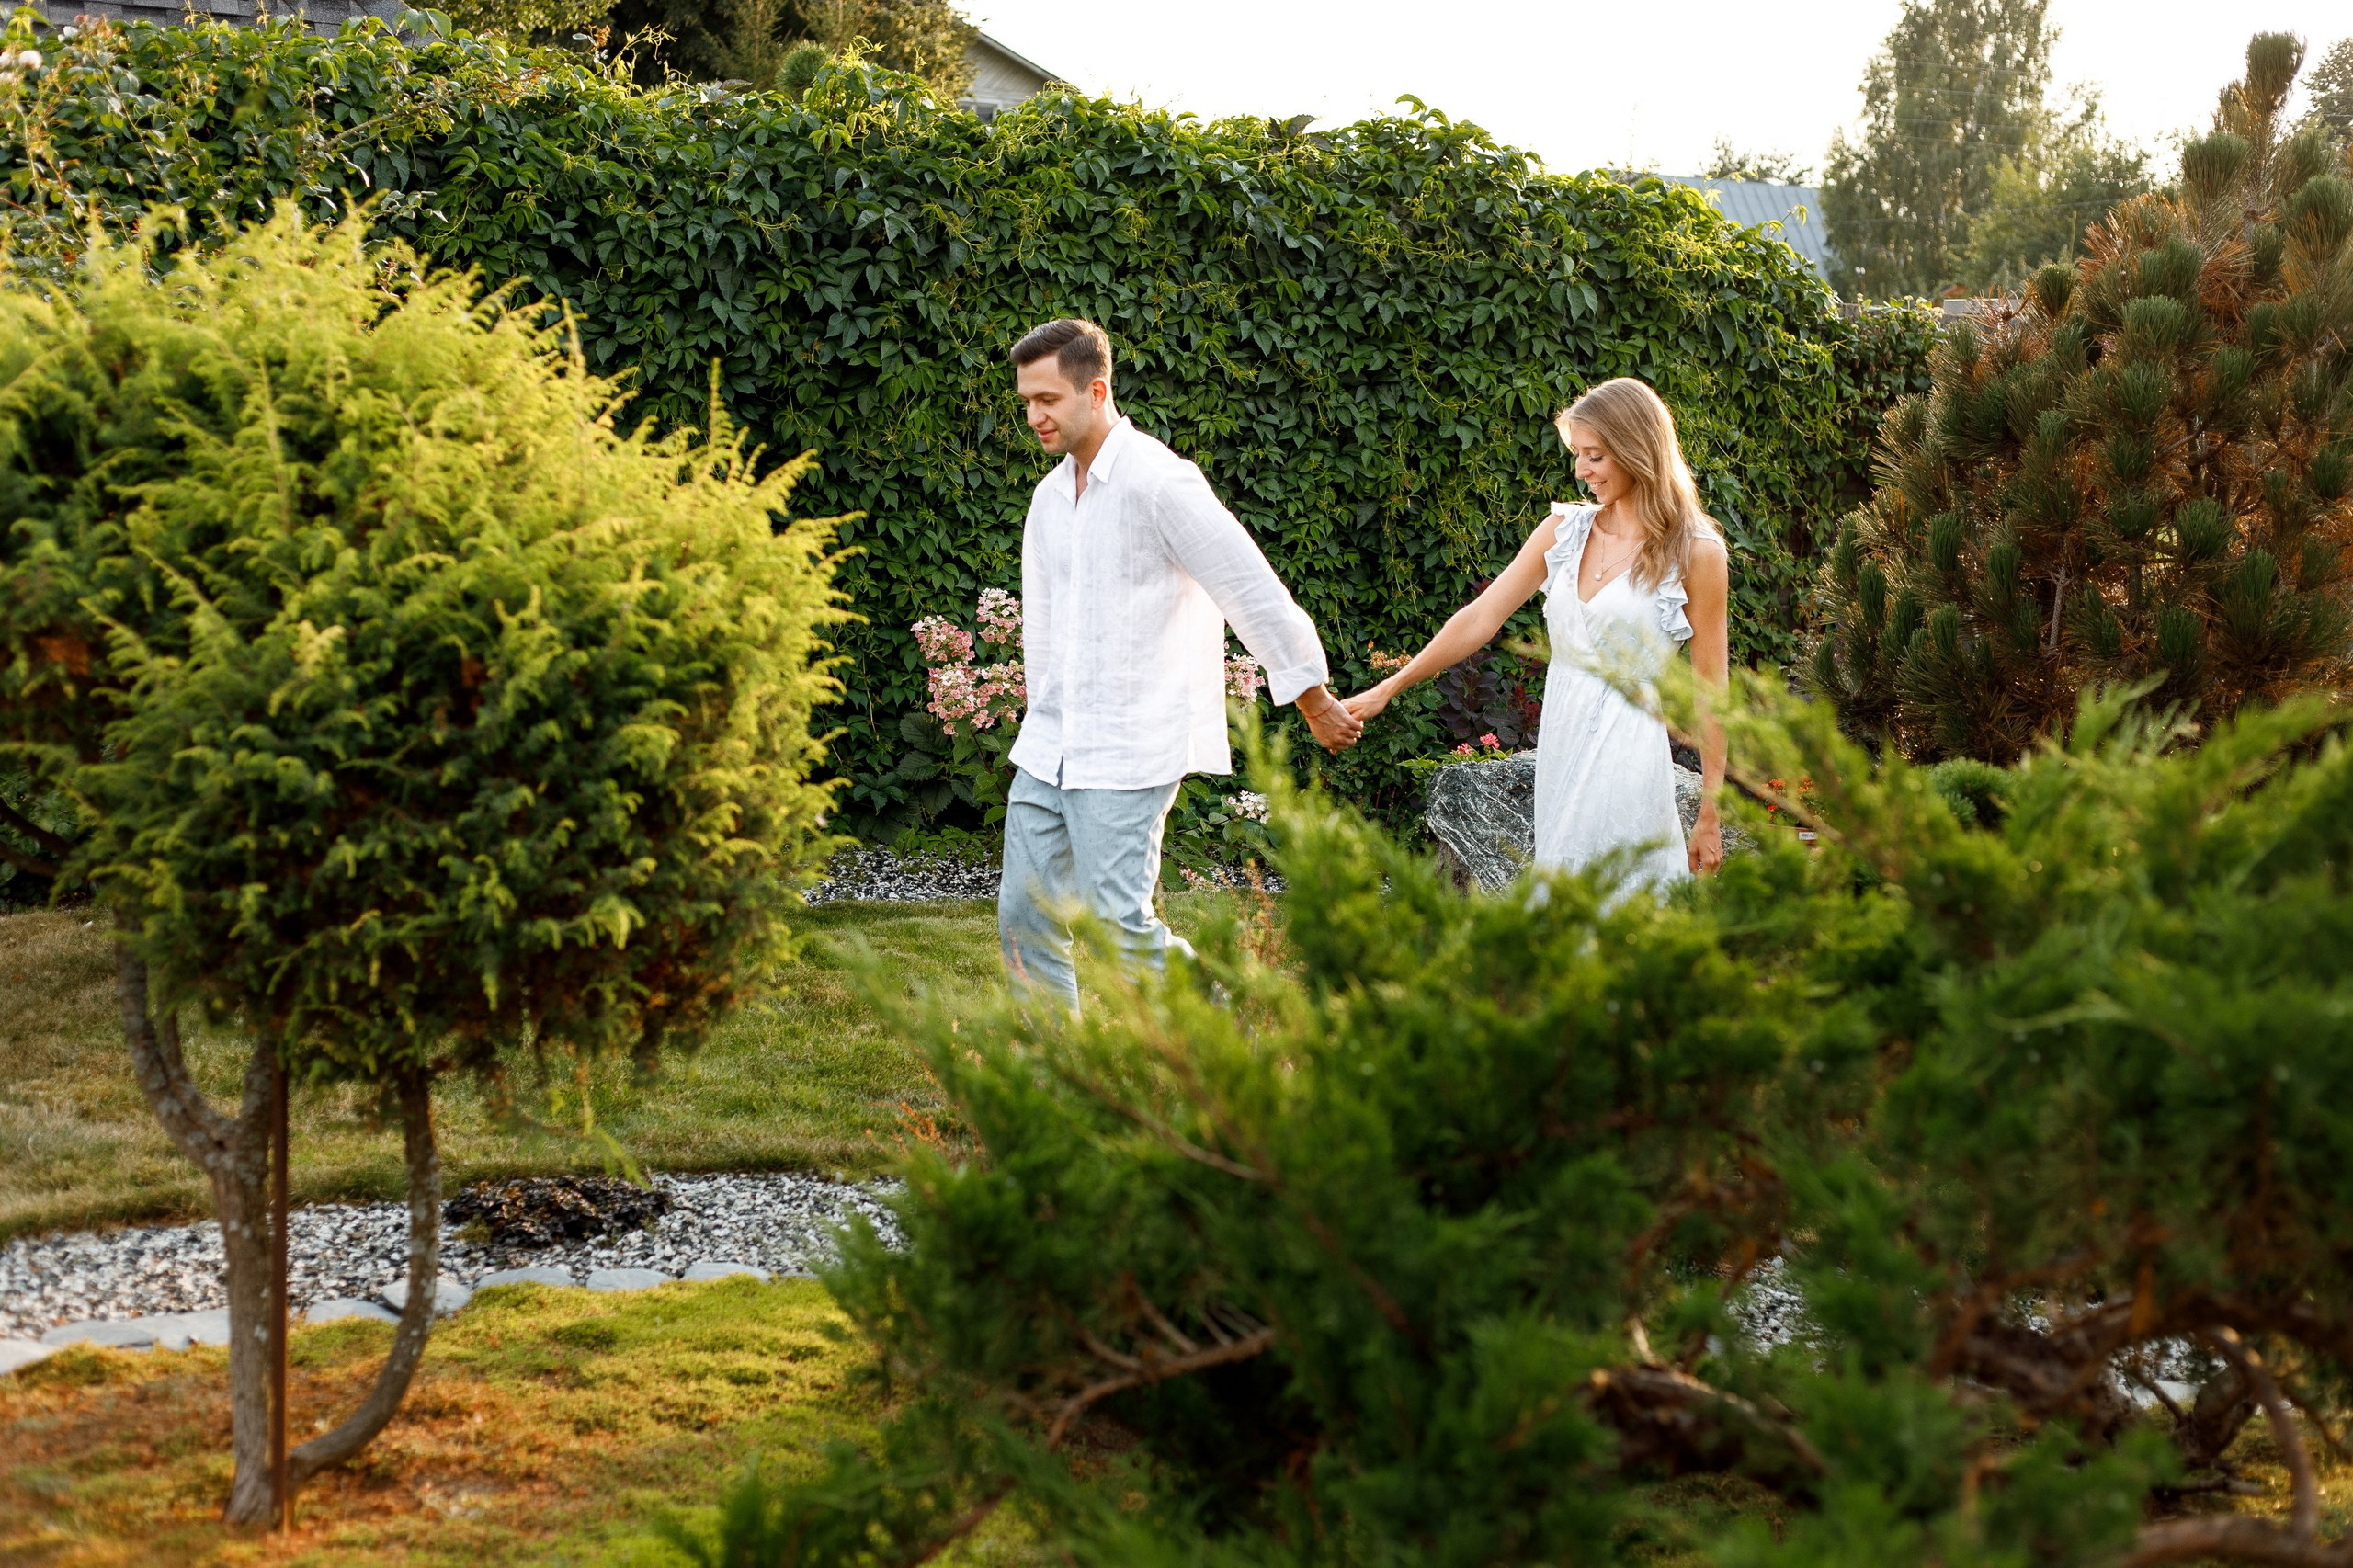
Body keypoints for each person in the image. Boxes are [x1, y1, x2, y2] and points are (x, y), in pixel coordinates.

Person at [998, 318, 1362, 1012]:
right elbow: (1043, 624)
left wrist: (1311, 695)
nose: (1035, 415)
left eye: (1047, 399)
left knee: (1118, 926)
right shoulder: (1050, 497)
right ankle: (1047, 1064)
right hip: (1051, 745)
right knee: (1024, 915)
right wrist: (1039, 715)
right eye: (1027, 402)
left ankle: (1227, 1020)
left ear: (1095, 391)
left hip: (1131, 746)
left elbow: (1246, 584)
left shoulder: (1160, 482)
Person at [1345, 378, 1729, 891]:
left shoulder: (1698, 553)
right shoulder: (1564, 531)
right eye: (1578, 455)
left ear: (1637, 450)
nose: (1581, 471)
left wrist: (1710, 813)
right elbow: (1480, 618)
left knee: (1619, 900)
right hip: (1561, 741)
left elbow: (1711, 693)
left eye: (1595, 456)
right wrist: (1390, 687)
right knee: (1562, 895)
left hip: (1629, 753)